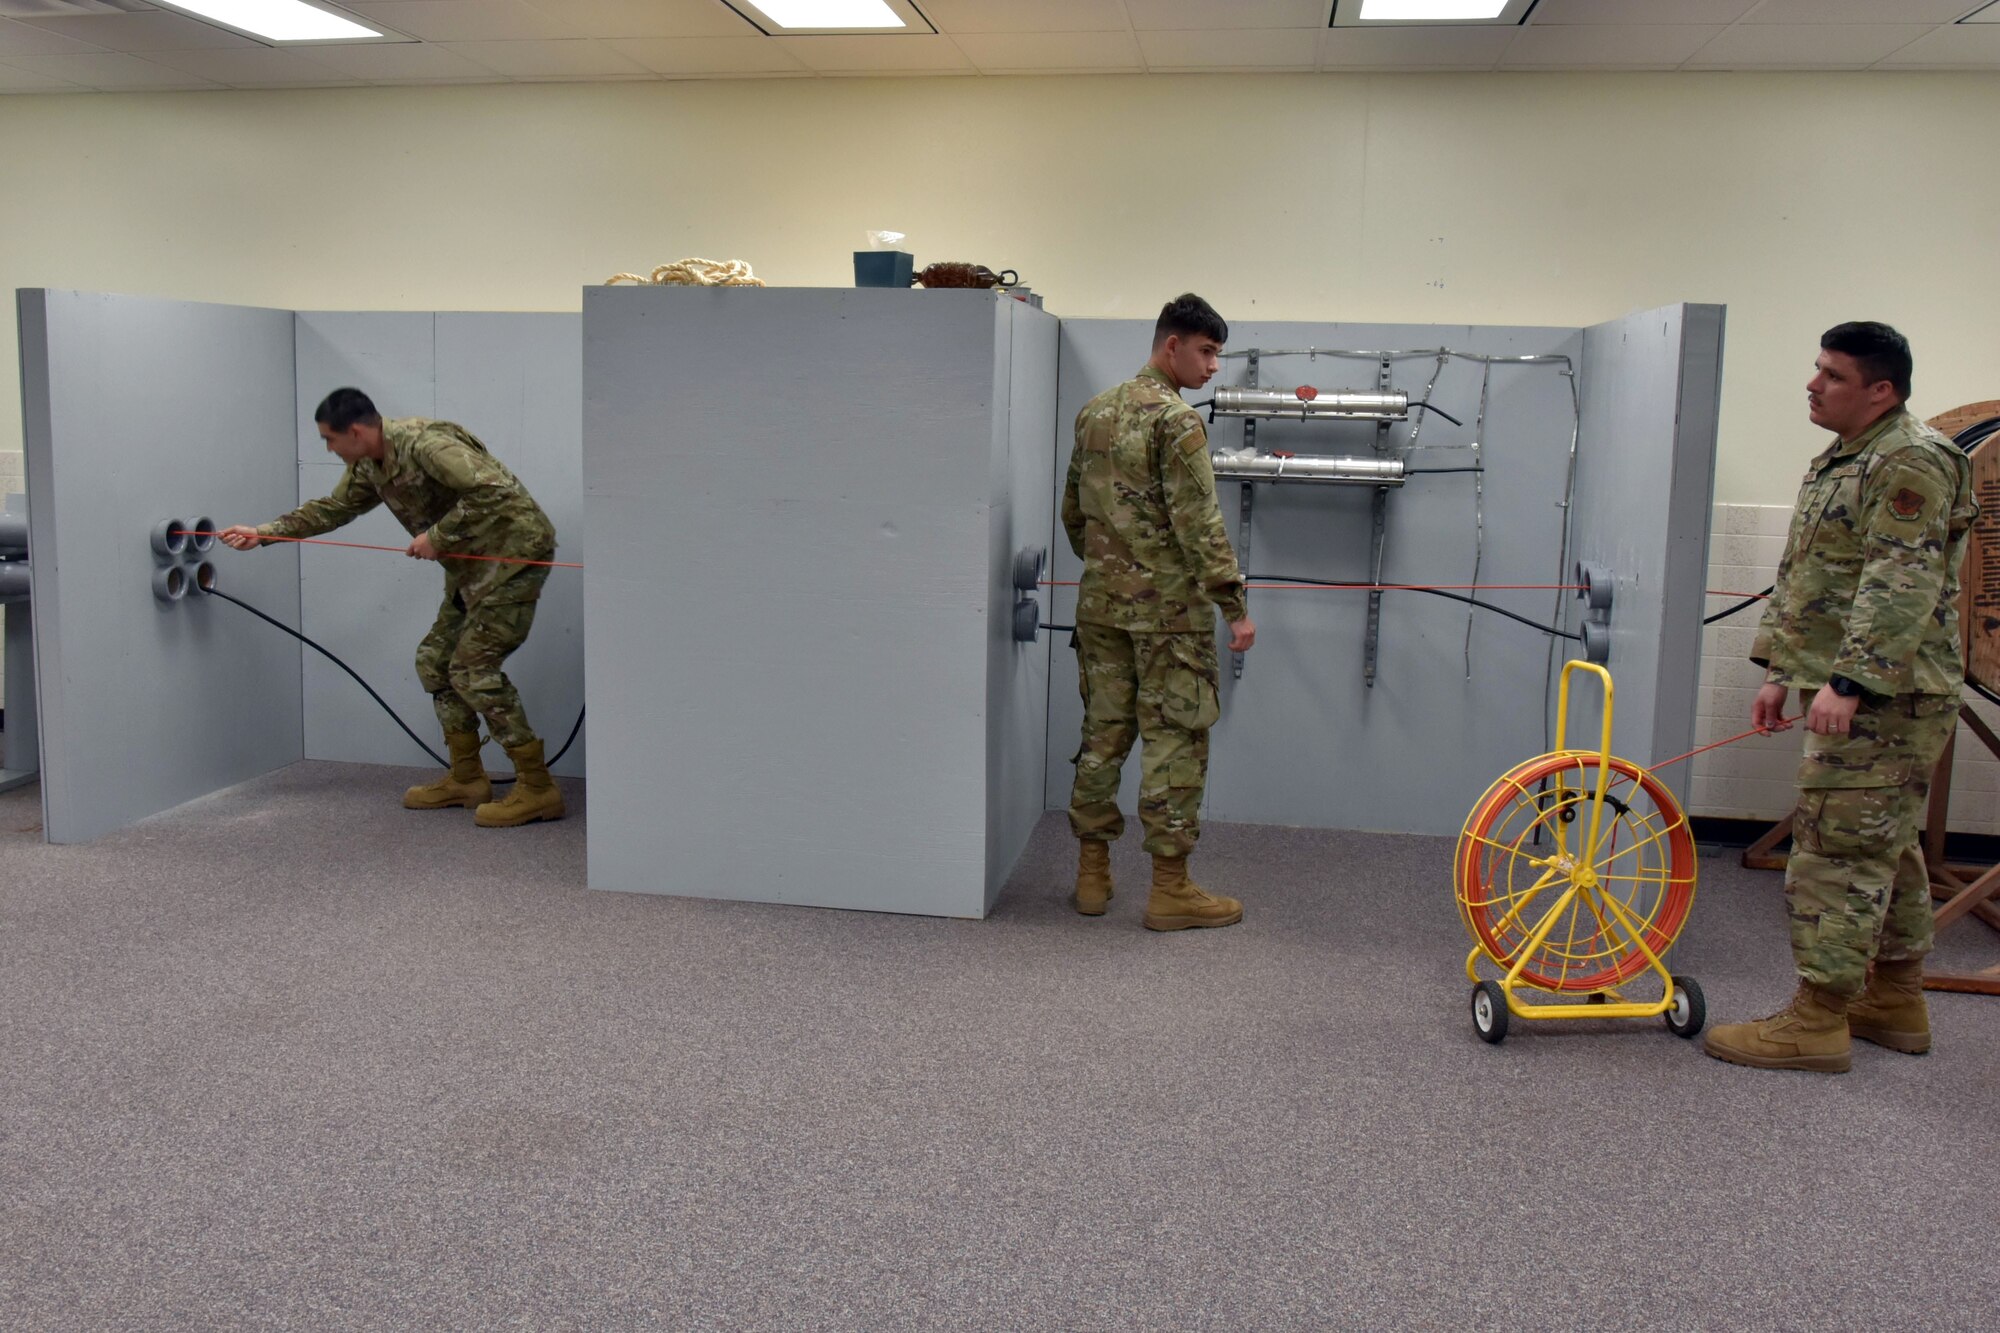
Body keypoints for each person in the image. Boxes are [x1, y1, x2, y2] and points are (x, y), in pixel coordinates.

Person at [1705, 322, 1977, 1072]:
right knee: (1883, 844)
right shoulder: (1849, 457)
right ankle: (1893, 997)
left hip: (1888, 695)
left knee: (1834, 851)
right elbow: (1812, 575)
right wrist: (1782, 671)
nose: (1812, 384)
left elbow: (1902, 583)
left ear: (1880, 389)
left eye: (1832, 374)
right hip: (1862, 685)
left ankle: (1818, 1019)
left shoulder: (1910, 459)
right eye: (1816, 369)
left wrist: (1850, 681)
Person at [220, 388, 566, 828]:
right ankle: (467, 779)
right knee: (435, 662)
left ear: (357, 431)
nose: (328, 448)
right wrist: (264, 532)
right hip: (472, 567)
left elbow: (496, 490)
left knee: (471, 670)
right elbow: (336, 508)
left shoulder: (427, 445)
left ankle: (538, 789)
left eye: (329, 439)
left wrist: (438, 536)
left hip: (514, 554)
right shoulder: (368, 462)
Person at [1062, 293, 1256, 931]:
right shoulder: (1177, 421)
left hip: (1100, 611)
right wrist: (1234, 606)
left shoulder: (1095, 411)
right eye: (1206, 352)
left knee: (1102, 737)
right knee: (1175, 743)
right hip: (1170, 619)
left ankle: (1092, 877)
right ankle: (1170, 890)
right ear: (1171, 345)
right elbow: (1199, 523)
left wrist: (1110, 575)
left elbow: (1073, 514)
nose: (1212, 367)